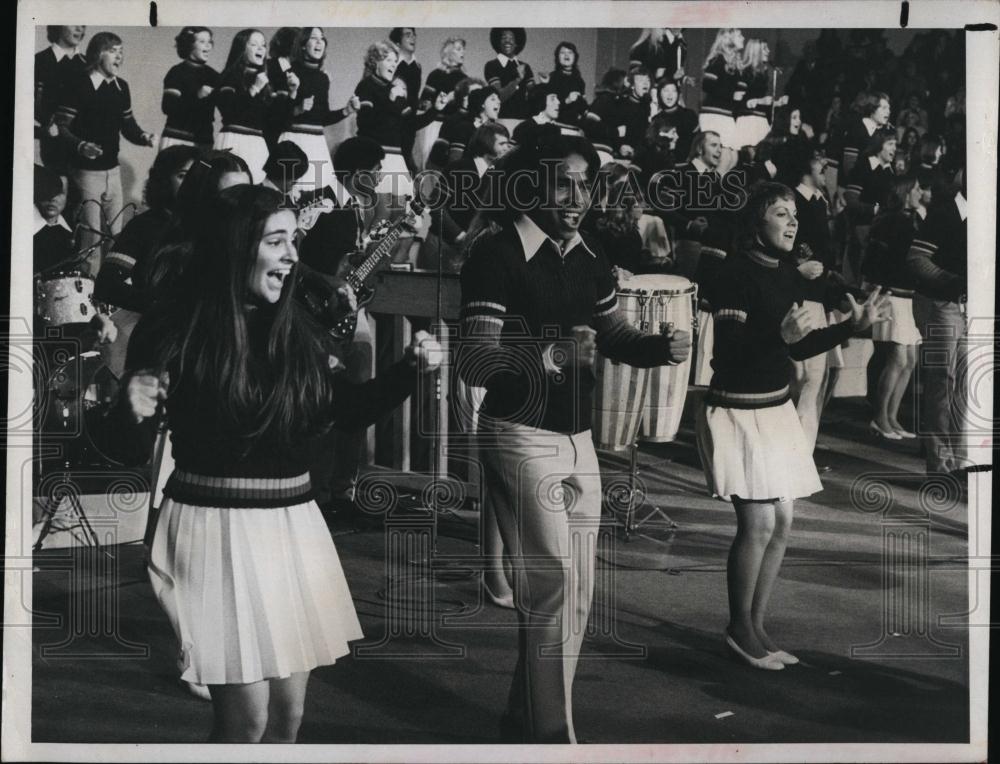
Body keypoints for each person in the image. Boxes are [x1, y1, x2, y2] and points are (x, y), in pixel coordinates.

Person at [104, 184, 441, 743]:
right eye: (277, 241)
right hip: (215, 528)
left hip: (291, 525)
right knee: (247, 720)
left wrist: (409, 370)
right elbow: (125, 452)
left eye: (294, 241)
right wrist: (127, 409)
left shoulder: (295, 326)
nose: (292, 256)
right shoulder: (173, 328)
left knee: (287, 718)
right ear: (237, 248)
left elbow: (343, 412)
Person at [457, 133, 690, 743]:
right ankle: (551, 735)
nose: (578, 196)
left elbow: (610, 335)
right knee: (553, 583)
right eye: (564, 182)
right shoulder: (495, 254)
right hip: (518, 434)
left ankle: (523, 716)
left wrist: (657, 347)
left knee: (577, 590)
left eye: (586, 183)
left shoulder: (589, 255)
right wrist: (548, 356)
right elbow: (477, 360)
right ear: (532, 183)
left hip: (577, 436)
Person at [696, 181, 889, 670]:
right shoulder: (733, 274)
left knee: (783, 521)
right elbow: (729, 354)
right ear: (755, 223)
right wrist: (777, 334)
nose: (791, 220)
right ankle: (738, 628)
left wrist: (852, 327)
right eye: (779, 213)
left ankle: (757, 626)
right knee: (757, 523)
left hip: (776, 409)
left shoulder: (786, 273)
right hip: (739, 409)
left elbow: (799, 347)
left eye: (794, 214)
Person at [54, 31, 156, 268]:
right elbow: (60, 128)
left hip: (113, 172)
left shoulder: (122, 87)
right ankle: (87, 294)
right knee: (90, 237)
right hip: (86, 173)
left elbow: (128, 126)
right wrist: (81, 145)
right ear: (98, 53)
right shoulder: (78, 84)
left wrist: (143, 137)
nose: (119, 56)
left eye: (121, 51)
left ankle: (111, 292)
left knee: (118, 235)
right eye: (113, 50)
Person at [906, 173, 967, 477]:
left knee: (966, 384)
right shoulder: (945, 214)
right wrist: (954, 282)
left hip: (968, 307)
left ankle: (961, 460)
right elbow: (917, 259)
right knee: (942, 382)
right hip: (941, 304)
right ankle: (940, 465)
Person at [863, 176, 925, 440]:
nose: (921, 192)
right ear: (905, 192)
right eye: (917, 188)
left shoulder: (912, 219)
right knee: (897, 358)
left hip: (909, 297)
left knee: (909, 360)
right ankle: (880, 418)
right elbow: (878, 260)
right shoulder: (892, 220)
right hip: (893, 295)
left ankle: (892, 417)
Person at [273, 28, 360, 195]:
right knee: (291, 195)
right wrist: (297, 108)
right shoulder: (288, 73)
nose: (320, 42)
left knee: (319, 199)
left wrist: (346, 111)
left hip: (317, 143)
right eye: (314, 38)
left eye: (322, 38)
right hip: (294, 141)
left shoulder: (323, 78)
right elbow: (276, 118)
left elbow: (322, 117)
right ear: (303, 45)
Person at [214, 29, 278, 183]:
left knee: (256, 192)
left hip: (257, 143)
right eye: (254, 44)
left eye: (263, 45)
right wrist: (254, 89)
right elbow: (230, 111)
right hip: (234, 138)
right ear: (241, 48)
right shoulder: (230, 76)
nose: (261, 49)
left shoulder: (265, 80)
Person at [35, 25, 87, 173]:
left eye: (83, 25)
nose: (80, 29)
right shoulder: (39, 61)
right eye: (74, 23)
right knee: (59, 192)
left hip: (85, 145)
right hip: (54, 145)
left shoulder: (89, 64)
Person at [160, 27, 219, 151]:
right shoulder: (177, 72)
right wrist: (197, 96)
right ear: (189, 44)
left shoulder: (214, 75)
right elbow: (168, 106)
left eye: (209, 42)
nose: (208, 46)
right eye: (202, 42)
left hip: (204, 142)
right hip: (176, 139)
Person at [699, 28, 746, 175]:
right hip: (715, 114)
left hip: (726, 115)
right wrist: (731, 95)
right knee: (725, 157)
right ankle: (711, 192)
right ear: (728, 38)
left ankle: (714, 189)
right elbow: (707, 84)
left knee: (733, 158)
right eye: (739, 35)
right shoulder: (718, 60)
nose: (743, 38)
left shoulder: (736, 64)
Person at [485, 28, 535, 130]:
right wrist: (517, 80)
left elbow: (534, 96)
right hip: (502, 121)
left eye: (511, 38)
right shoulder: (492, 65)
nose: (507, 41)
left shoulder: (525, 66)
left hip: (524, 122)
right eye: (504, 38)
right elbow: (499, 96)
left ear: (517, 43)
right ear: (498, 42)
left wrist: (545, 85)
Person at [545, 42, 588, 127]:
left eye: (570, 52)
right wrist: (567, 100)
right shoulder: (552, 78)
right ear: (557, 57)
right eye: (562, 53)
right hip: (557, 123)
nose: (566, 55)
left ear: (575, 57)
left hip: (576, 124)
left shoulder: (579, 80)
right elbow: (547, 108)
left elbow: (582, 107)